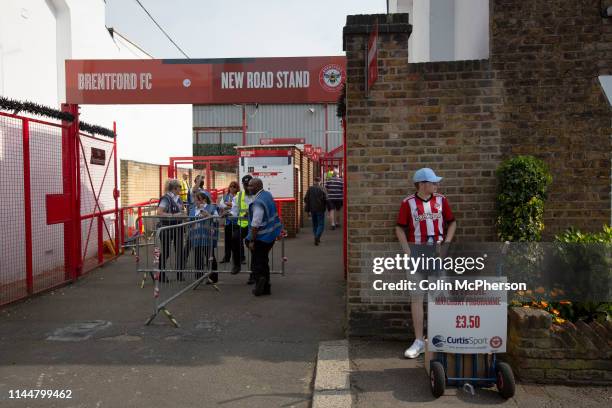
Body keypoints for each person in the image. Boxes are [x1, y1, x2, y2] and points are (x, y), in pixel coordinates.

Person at [395, 168, 456, 359]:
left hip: (436, 254)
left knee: (439, 296)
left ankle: (437, 338)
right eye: (433, 182)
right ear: (422, 184)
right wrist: (407, 252)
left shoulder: (441, 200)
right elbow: (399, 228)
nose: (436, 185)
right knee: (417, 297)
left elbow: (452, 223)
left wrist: (446, 245)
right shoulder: (408, 203)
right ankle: (419, 341)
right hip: (417, 253)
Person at [245, 178, 283, 296]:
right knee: (264, 261)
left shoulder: (258, 202)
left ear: (257, 186)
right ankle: (266, 287)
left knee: (257, 263)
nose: (248, 188)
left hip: (261, 238)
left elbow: (256, 223)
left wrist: (252, 240)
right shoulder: (267, 195)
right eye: (248, 185)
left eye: (251, 186)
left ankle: (259, 283)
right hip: (270, 235)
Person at [157, 179, 185, 282]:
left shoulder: (178, 198)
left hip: (178, 228)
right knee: (166, 252)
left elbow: (181, 210)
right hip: (167, 228)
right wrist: (173, 215)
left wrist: (182, 213)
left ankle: (179, 274)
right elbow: (159, 212)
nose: (180, 190)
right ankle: (160, 274)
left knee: (179, 252)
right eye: (179, 188)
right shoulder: (165, 198)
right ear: (174, 188)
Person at [189, 191, 219, 283]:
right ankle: (199, 277)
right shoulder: (193, 209)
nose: (195, 202)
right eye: (195, 200)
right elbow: (190, 220)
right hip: (196, 237)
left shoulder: (211, 208)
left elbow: (217, 219)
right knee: (198, 257)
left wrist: (208, 215)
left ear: (204, 200)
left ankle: (213, 278)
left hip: (207, 237)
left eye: (197, 200)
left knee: (210, 257)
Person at [229, 175, 255, 279]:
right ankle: (237, 264)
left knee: (254, 249)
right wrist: (229, 214)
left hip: (254, 227)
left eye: (249, 185)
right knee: (234, 238)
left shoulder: (257, 195)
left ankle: (253, 274)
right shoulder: (239, 196)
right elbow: (234, 211)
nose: (247, 187)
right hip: (242, 225)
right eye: (245, 185)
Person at [218, 181, 240, 264]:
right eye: (231, 186)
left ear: (237, 188)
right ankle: (226, 257)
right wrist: (230, 206)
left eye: (234, 187)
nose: (232, 188)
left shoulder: (238, 196)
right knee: (227, 241)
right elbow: (221, 206)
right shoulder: (226, 196)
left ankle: (240, 258)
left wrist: (229, 205)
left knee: (237, 241)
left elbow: (237, 207)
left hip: (236, 222)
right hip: (228, 222)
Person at [304, 176, 327, 245]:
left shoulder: (310, 189)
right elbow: (326, 199)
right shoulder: (322, 189)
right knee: (321, 224)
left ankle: (316, 237)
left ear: (314, 181)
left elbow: (305, 199)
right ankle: (317, 237)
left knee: (315, 224)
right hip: (320, 209)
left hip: (312, 209)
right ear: (320, 182)